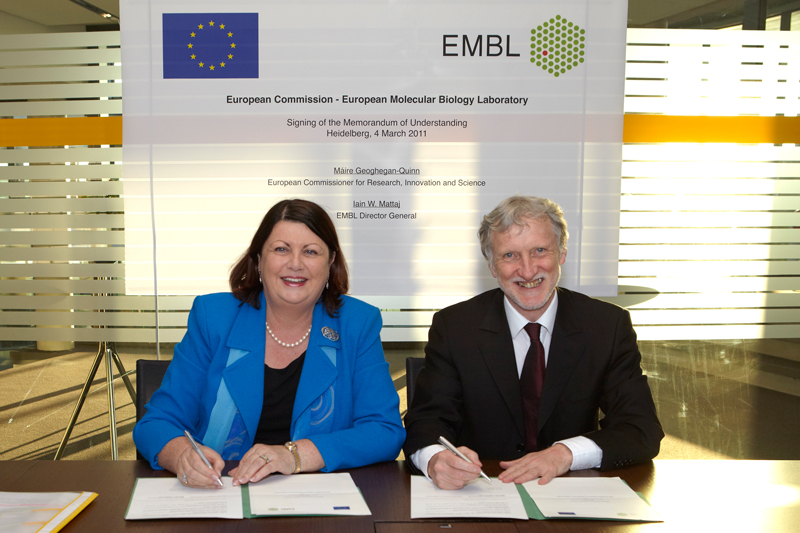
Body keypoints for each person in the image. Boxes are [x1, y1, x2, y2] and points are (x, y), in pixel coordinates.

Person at [134, 199, 405, 488]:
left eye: (311, 251)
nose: (296, 264)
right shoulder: (214, 317)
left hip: (316, 499)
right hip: (220, 492)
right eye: (281, 249)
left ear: (331, 262)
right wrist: (182, 456)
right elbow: (156, 424)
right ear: (259, 259)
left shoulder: (356, 323)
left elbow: (384, 430)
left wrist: (295, 456)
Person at [403, 195, 663, 490]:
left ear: (562, 252)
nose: (527, 271)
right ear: (491, 266)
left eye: (539, 250)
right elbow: (426, 423)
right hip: (483, 492)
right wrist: (437, 460)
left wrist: (566, 453)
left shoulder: (606, 326)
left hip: (573, 493)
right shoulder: (455, 327)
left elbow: (640, 429)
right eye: (509, 255)